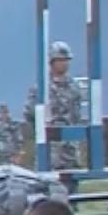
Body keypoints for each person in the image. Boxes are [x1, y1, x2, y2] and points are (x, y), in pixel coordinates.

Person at [32, 42, 85, 172]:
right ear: (52, 62)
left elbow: (77, 115)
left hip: (70, 149)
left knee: (71, 186)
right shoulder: (42, 87)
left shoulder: (74, 86)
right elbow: (30, 113)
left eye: (67, 60)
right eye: (60, 60)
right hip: (50, 150)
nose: (65, 63)